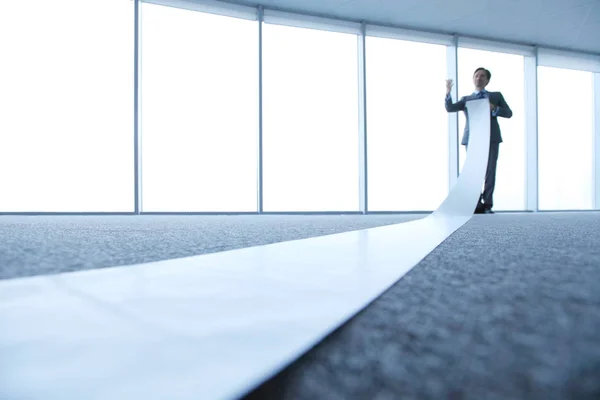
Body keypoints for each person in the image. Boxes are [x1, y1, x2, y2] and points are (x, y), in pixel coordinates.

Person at [445, 67, 513, 214]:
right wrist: (448, 93)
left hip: (491, 138)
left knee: (490, 171)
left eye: (482, 76)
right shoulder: (467, 99)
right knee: (473, 172)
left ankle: (488, 204)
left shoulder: (495, 96)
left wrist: (495, 109)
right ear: (473, 78)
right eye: (476, 76)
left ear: (487, 80)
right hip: (473, 139)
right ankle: (475, 204)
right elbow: (450, 108)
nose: (479, 78)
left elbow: (509, 113)